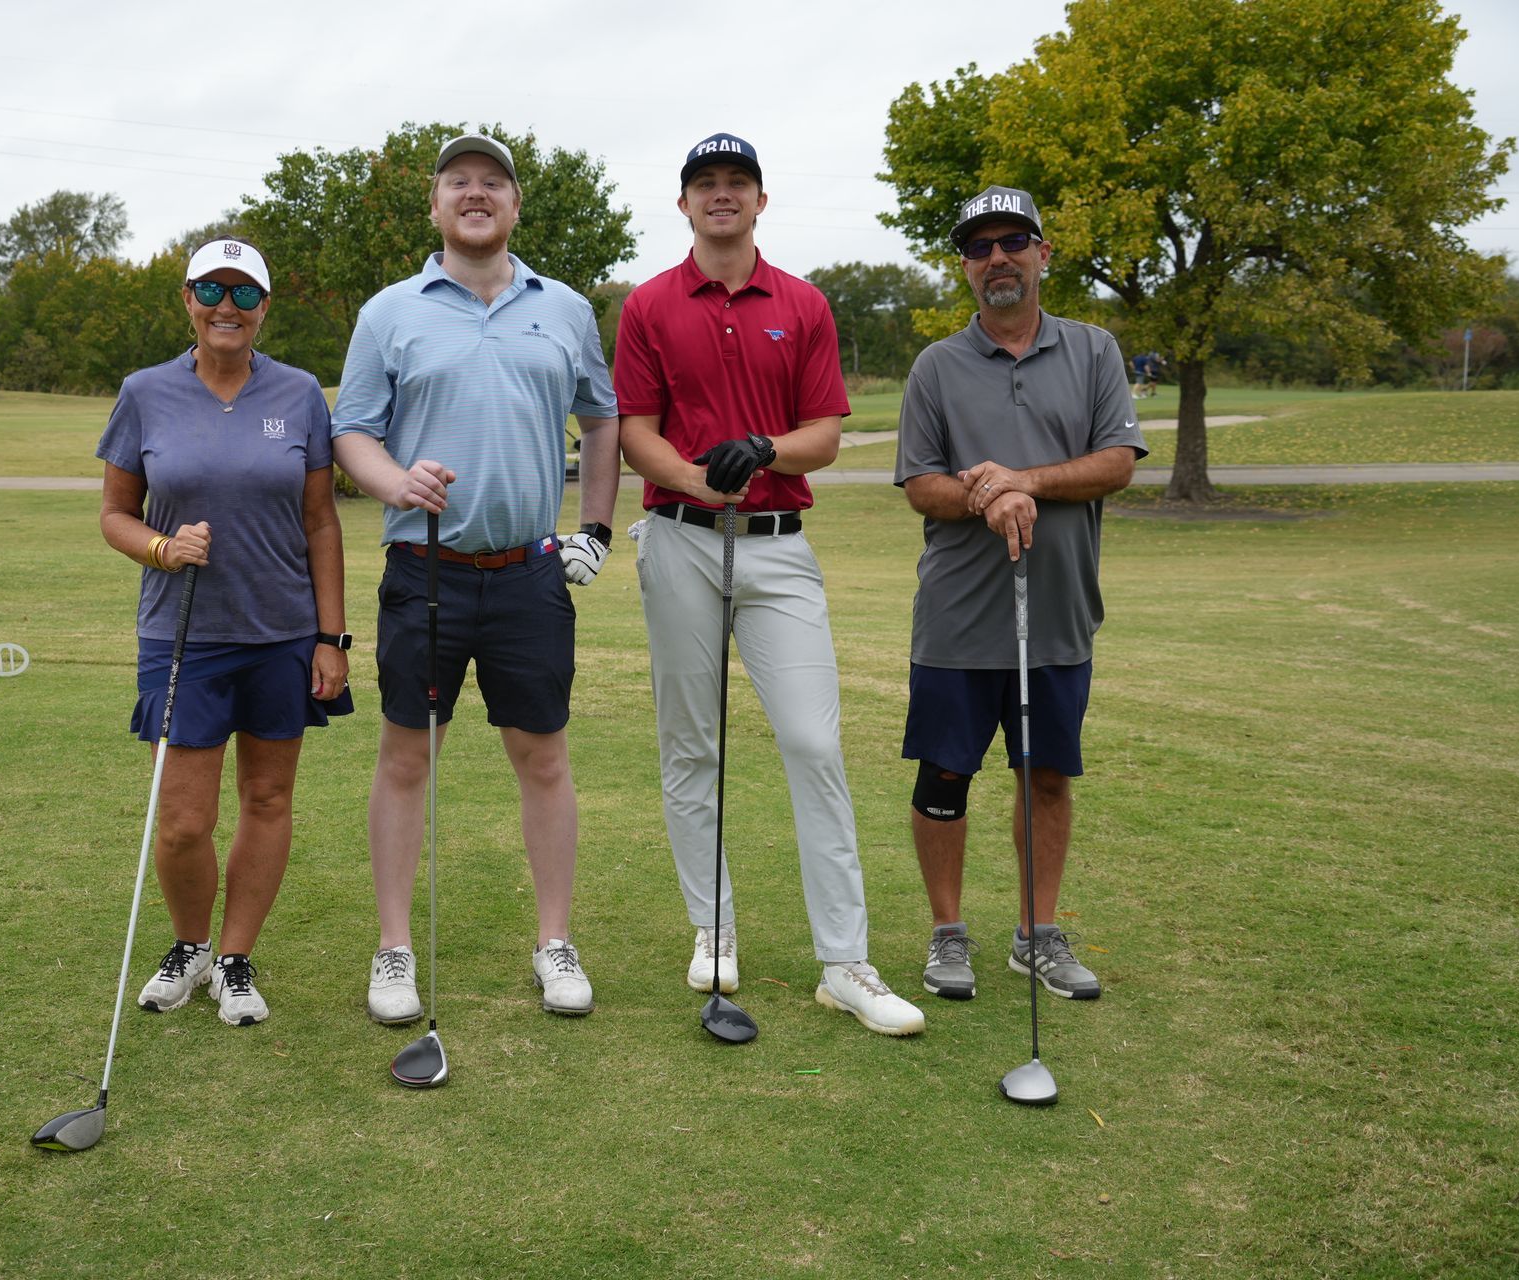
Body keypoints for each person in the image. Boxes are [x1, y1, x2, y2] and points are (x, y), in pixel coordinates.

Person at [614, 132, 925, 1038]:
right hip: (680, 538)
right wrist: (697, 477)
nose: (721, 197)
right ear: (683, 203)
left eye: (736, 184)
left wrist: (768, 450)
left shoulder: (803, 303)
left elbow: (825, 430)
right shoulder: (648, 306)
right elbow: (637, 431)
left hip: (780, 546)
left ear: (759, 200)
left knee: (812, 744)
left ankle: (846, 962)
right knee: (691, 745)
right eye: (705, 185)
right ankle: (713, 927)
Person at [332, 133, 620, 1023]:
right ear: (436, 205)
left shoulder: (565, 308)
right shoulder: (391, 311)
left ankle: (554, 942)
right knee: (408, 755)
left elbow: (602, 419)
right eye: (458, 181)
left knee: (542, 756)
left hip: (530, 571)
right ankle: (392, 950)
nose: (475, 192)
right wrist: (393, 480)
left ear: (514, 204)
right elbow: (352, 432)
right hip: (425, 569)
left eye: (492, 181)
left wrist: (596, 531)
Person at [893, 185, 1146, 1004]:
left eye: (1013, 242)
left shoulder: (1095, 351)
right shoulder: (937, 366)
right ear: (965, 267)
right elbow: (921, 485)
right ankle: (947, 935)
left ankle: (1036, 935)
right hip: (961, 616)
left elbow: (1117, 461)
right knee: (945, 777)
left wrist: (1023, 480)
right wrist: (988, 497)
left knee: (1045, 777)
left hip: (1060, 612)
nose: (996, 258)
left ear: (1043, 253)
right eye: (979, 247)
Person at [96, 236, 353, 1028]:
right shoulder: (145, 392)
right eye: (212, 289)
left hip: (281, 632)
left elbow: (320, 521)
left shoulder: (302, 392)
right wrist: (161, 549)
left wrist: (332, 639)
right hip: (183, 634)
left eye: (245, 294)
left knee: (268, 798)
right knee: (183, 821)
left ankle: (235, 959)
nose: (227, 308)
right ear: (186, 299)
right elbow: (114, 515)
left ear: (264, 308)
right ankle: (190, 945)